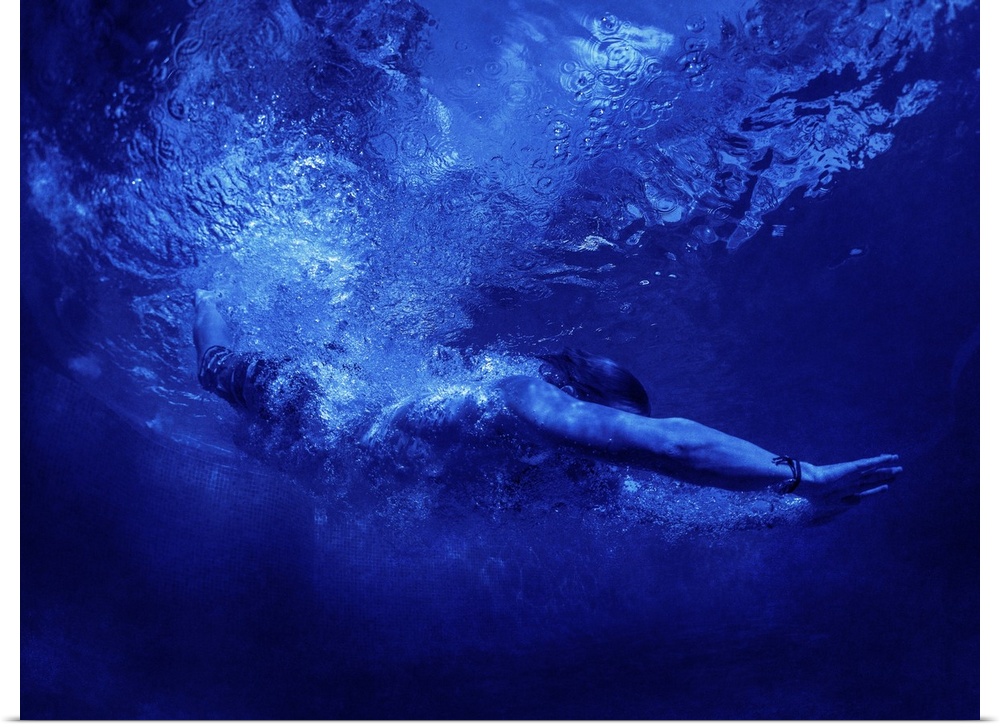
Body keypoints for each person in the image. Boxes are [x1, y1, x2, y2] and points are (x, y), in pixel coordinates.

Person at [194, 290, 901, 515]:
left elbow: (683, 517)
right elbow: (672, 445)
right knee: (216, 371)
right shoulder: (525, 398)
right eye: (611, 422)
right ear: (580, 396)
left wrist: (798, 514)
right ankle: (208, 290)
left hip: (330, 467)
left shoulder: (577, 472)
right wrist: (803, 475)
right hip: (320, 405)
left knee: (250, 444)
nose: (610, 444)